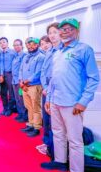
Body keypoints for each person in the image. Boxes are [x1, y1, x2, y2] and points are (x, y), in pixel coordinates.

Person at [41, 18, 100, 172]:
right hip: (55, 101)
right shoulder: (58, 51)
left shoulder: (84, 49)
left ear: (77, 31)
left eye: (69, 29)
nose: (65, 32)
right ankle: (60, 161)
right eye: (63, 29)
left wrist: (83, 102)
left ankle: (76, 169)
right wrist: (49, 99)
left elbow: (93, 78)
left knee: (75, 140)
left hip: (73, 103)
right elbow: (54, 78)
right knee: (58, 133)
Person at [37, 23, 62, 155]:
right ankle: (47, 143)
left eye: (54, 32)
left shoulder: (62, 51)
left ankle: (54, 149)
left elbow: (56, 74)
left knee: (54, 122)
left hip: (56, 92)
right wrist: (45, 88)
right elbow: (43, 72)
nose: (52, 35)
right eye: (50, 33)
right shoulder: (49, 52)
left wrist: (49, 89)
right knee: (46, 119)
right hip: (46, 90)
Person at [19, 37, 45, 137]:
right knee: (29, 107)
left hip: (35, 86)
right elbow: (21, 69)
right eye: (29, 44)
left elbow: (38, 72)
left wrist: (26, 81)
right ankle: (30, 124)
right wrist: (21, 81)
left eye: (33, 44)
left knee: (36, 107)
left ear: (37, 45)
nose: (30, 46)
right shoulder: (26, 56)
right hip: (24, 86)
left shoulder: (41, 57)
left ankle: (37, 127)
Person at [0, 37, 16, 116]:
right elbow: (0, 65)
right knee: (3, 93)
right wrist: (1, 75)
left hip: (10, 74)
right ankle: (5, 108)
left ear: (7, 43)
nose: (2, 44)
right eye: (1, 43)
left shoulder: (13, 52)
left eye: (4, 42)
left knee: (11, 93)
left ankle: (10, 109)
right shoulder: (0, 53)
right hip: (2, 75)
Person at [11, 39, 27, 122]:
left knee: (21, 99)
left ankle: (24, 116)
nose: (16, 47)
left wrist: (22, 80)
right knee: (17, 98)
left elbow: (23, 69)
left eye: (18, 45)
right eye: (14, 45)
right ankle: (20, 114)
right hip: (14, 80)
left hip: (20, 81)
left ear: (22, 46)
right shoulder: (15, 55)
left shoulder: (24, 55)